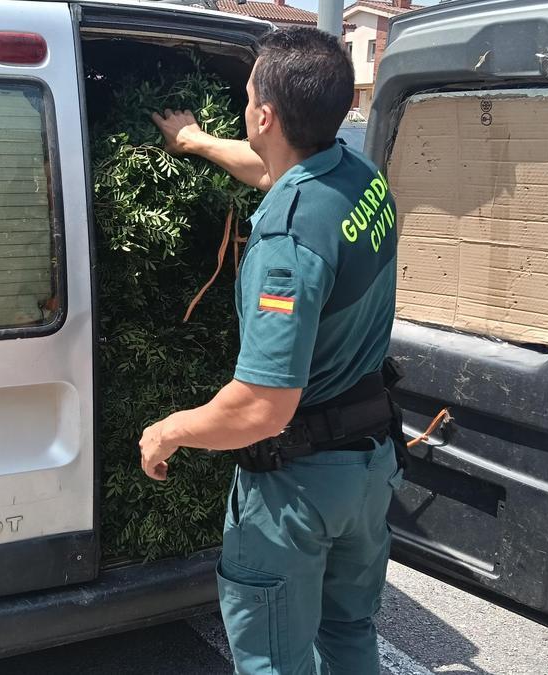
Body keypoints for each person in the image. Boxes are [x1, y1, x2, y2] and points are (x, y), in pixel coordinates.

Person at [141, 27, 402, 674]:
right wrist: (194, 140)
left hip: (299, 490)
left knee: (272, 662)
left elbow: (262, 406)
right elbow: (273, 171)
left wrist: (168, 431)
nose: (246, 103)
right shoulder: (359, 178)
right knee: (348, 632)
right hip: (368, 470)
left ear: (264, 116)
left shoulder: (286, 247)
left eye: (249, 94)